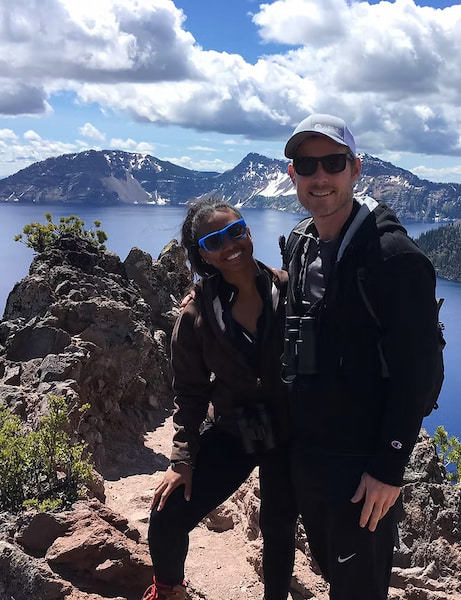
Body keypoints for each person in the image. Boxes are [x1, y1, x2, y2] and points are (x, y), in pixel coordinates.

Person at [280, 114, 443, 600]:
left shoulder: (393, 258)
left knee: (359, 587)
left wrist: (389, 468)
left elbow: (421, 372)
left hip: (361, 466)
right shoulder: (302, 244)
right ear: (293, 176)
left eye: (333, 162)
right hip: (311, 451)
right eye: (307, 165)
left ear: (355, 169)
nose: (320, 177)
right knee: (333, 570)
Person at [144, 198, 297, 600]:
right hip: (237, 428)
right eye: (214, 240)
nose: (230, 244)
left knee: (279, 522)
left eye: (235, 230)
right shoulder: (196, 316)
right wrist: (182, 460)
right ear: (203, 254)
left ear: (247, 230)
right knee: (166, 515)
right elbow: (190, 393)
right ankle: (168, 591)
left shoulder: (289, 289)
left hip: (290, 428)